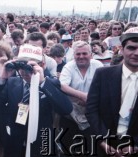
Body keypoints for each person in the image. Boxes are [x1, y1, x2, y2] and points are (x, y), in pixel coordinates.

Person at [0, 43, 72, 157]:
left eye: (29, 65)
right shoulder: (11, 83)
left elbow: (66, 109)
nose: (24, 71)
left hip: (41, 141)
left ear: (42, 65)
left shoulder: (50, 84)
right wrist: (2, 78)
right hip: (15, 142)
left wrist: (43, 82)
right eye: (21, 65)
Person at [86, 27, 138, 157]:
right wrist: (103, 140)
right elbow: (91, 109)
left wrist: (135, 145)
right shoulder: (103, 74)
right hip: (104, 146)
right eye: (131, 48)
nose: (137, 53)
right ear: (122, 49)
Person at [59, 41, 103, 156]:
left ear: (91, 54)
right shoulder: (69, 66)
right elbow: (62, 86)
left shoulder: (98, 65)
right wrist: (83, 96)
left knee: (91, 148)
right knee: (69, 149)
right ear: (73, 55)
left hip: (92, 115)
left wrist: (91, 100)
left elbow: (105, 87)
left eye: (84, 53)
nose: (81, 56)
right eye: (78, 54)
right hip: (71, 116)